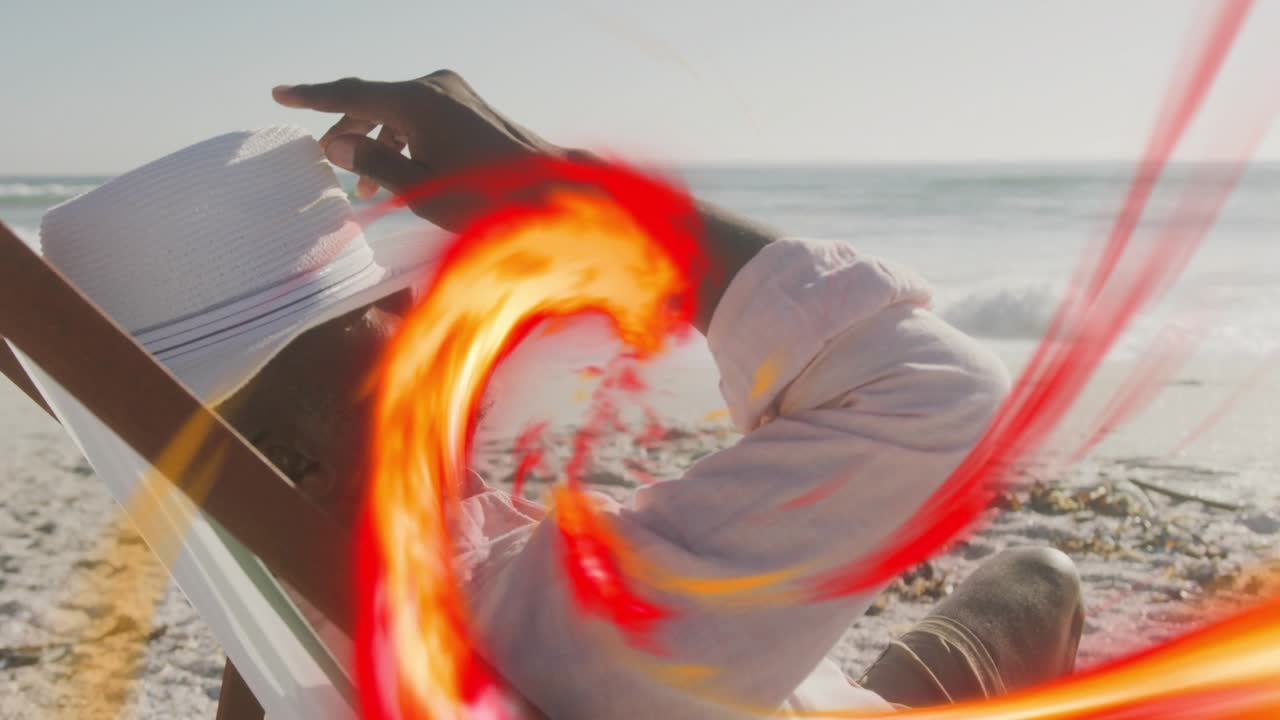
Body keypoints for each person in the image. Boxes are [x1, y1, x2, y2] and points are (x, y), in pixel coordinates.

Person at [218, 69, 1083, 717]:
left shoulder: (290, 628)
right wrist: (568, 192)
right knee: (1041, 578)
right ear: (299, 465)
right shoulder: (552, 621)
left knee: (1028, 585)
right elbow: (936, 392)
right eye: (392, 354)